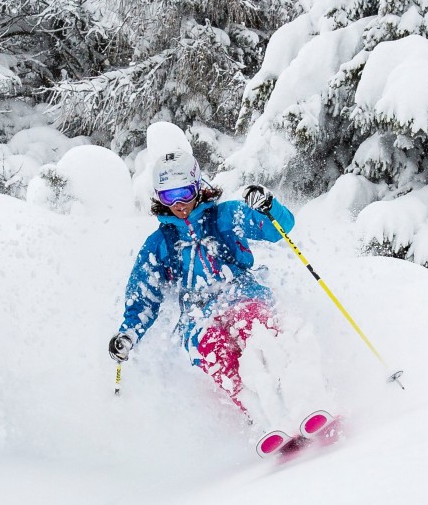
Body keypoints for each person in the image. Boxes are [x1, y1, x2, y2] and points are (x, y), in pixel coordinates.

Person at [108, 150, 295, 416]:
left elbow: (280, 229)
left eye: (183, 192)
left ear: (197, 186)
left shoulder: (226, 216)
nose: (178, 204)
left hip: (242, 292)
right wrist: (128, 333)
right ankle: (262, 415)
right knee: (212, 349)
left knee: (253, 327)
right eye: (168, 196)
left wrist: (269, 207)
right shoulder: (159, 244)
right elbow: (143, 297)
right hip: (198, 315)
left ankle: (299, 396)